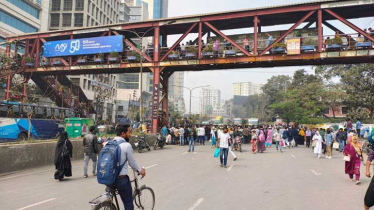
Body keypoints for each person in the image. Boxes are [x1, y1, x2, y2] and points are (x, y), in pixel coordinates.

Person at [112, 125, 146, 209]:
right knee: (128, 204)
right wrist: (140, 170)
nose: (130, 134)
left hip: (108, 178)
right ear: (123, 134)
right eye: (129, 132)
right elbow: (132, 163)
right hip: (120, 179)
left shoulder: (109, 143)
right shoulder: (126, 145)